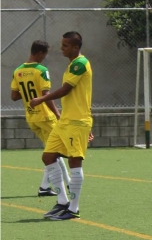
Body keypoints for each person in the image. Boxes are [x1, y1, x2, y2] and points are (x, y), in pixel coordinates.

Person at [29, 31, 93, 221]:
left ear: (75, 47)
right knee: (48, 156)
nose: (61, 48)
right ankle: (62, 201)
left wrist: (41, 99)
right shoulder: (72, 64)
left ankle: (73, 209)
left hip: (76, 122)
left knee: (74, 162)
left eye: (65, 45)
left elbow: (66, 90)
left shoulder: (81, 63)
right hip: (65, 121)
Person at [10, 40, 72, 196]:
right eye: (45, 54)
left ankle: (52, 185)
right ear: (39, 53)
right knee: (56, 151)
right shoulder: (41, 70)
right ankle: (53, 186)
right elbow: (46, 95)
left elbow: (14, 96)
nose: (45, 57)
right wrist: (58, 114)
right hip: (45, 116)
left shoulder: (18, 71)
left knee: (52, 150)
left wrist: (28, 93)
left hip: (31, 117)